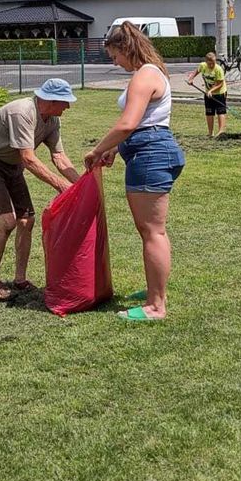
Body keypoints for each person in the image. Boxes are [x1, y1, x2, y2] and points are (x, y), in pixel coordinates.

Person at [84, 22, 185, 321]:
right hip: (153, 150)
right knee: (155, 230)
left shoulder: (144, 76)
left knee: (151, 231)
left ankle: (156, 306)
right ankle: (156, 290)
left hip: (150, 155)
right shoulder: (152, 72)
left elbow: (128, 123)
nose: (115, 63)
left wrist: (98, 149)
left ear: (125, 48)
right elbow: (145, 121)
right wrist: (116, 150)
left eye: (114, 56)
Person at [0, 78, 80, 301]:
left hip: (12, 165)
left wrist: (80, 185)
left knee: (27, 220)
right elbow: (29, 159)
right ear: (50, 100)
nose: (68, 107)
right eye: (65, 102)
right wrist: (61, 185)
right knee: (7, 222)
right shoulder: (22, 112)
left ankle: (19, 279)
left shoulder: (52, 120)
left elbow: (58, 156)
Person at [186, 51, 227, 137]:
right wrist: (191, 78)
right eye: (209, 64)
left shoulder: (218, 69)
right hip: (208, 93)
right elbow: (196, 71)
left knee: (220, 111)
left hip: (219, 93)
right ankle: (210, 132)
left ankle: (221, 131)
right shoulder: (203, 66)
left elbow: (220, 84)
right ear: (206, 62)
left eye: (213, 63)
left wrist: (211, 91)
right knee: (209, 112)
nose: (211, 65)